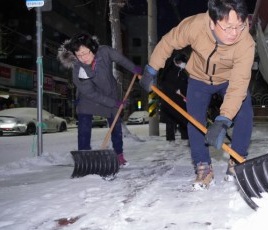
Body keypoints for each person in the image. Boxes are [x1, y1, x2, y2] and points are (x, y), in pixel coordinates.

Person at [140, 0, 255, 190]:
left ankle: (237, 160)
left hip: (229, 80)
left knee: (244, 111)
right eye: (228, 27)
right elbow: (168, 42)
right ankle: (203, 166)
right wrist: (152, 69)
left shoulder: (246, 43)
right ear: (212, 22)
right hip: (199, 78)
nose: (234, 33)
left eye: (239, 26)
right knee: (194, 121)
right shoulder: (195, 26)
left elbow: (240, 83)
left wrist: (223, 119)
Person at [57, 33, 141, 166]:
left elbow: (121, 60)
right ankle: (84, 157)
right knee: (84, 124)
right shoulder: (78, 69)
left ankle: (118, 154)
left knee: (116, 125)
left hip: (110, 92)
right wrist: (115, 103)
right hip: (89, 97)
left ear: (93, 48)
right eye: (78, 55)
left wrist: (134, 68)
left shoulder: (105, 51)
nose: (83, 58)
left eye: (85, 53)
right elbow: (91, 93)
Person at [160, 52, 189, 142]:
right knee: (170, 120)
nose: (184, 64)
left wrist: (186, 95)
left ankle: (185, 137)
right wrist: (174, 89)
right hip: (170, 100)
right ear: (178, 62)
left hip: (181, 100)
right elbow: (164, 84)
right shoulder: (169, 71)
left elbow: (186, 85)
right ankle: (170, 140)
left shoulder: (183, 73)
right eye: (182, 62)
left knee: (183, 118)